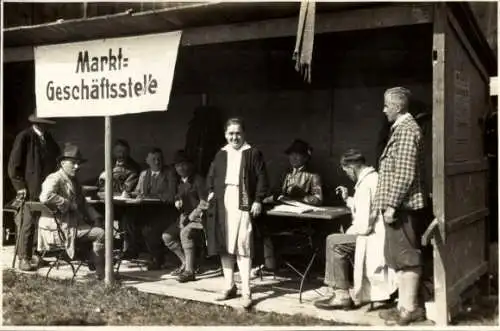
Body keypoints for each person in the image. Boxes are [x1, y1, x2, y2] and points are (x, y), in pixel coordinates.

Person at [314, 149, 396, 310]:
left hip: (372, 237)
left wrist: (350, 231)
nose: (347, 175)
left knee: (333, 241)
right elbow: (365, 208)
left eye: (346, 171)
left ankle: (341, 295)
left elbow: (364, 226)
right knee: (337, 239)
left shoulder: (366, 184)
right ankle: (339, 291)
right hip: (378, 233)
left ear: (351, 167)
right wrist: (348, 199)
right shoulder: (373, 178)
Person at [374, 87, 427, 325]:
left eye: (386, 106)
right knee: (399, 258)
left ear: (397, 107)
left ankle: (410, 309)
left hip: (402, 207)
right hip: (398, 206)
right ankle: (403, 306)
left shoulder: (406, 130)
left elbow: (404, 174)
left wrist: (392, 205)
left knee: (407, 258)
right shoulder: (401, 129)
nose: (384, 110)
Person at [206, 117, 269, 309]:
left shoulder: (252, 153)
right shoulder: (220, 154)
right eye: (231, 133)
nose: (234, 137)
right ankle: (229, 285)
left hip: (243, 203)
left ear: (244, 134)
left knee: (243, 245)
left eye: (238, 133)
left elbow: (262, 178)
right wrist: (210, 192)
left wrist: (258, 199)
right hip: (223, 203)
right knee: (225, 245)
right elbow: (212, 175)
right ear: (225, 135)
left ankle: (247, 291)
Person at [39, 143, 105, 280]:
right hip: (60, 229)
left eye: (78, 163)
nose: (77, 167)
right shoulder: (55, 178)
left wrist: (97, 217)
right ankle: (101, 274)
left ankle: (93, 260)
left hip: (71, 224)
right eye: (73, 163)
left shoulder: (74, 181)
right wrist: (68, 204)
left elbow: (84, 204)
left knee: (99, 226)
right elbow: (45, 196)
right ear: (62, 163)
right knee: (101, 234)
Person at [259, 139, 323, 270]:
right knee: (261, 222)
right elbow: (277, 193)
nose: (293, 157)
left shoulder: (312, 175)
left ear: (305, 157)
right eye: (291, 154)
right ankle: (269, 263)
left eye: (297, 154)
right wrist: (274, 197)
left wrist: (300, 195)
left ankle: (279, 262)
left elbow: (318, 199)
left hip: (302, 220)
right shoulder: (286, 174)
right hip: (283, 215)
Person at [8, 113, 61, 271]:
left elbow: (56, 157)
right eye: (44, 123)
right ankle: (23, 258)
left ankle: (35, 254)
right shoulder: (24, 137)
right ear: (37, 123)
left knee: (39, 222)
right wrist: (20, 186)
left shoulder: (48, 139)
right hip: (28, 188)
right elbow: (13, 165)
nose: (47, 126)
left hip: (43, 188)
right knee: (27, 223)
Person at [125, 148, 176, 269]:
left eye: (159, 159)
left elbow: (171, 195)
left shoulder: (169, 173)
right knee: (127, 220)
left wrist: (148, 196)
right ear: (147, 161)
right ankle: (132, 250)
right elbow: (138, 192)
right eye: (153, 159)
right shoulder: (144, 174)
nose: (157, 162)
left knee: (150, 230)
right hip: (147, 210)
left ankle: (158, 259)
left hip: (165, 212)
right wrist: (128, 194)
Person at [162, 150, 208, 283]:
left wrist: (191, 217)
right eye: (177, 166)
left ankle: (190, 271)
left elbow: (205, 202)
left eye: (183, 164)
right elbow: (178, 195)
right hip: (185, 217)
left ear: (190, 165)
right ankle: (185, 263)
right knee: (167, 236)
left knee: (185, 233)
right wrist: (178, 200)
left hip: (201, 219)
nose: (180, 168)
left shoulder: (198, 180)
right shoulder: (180, 181)